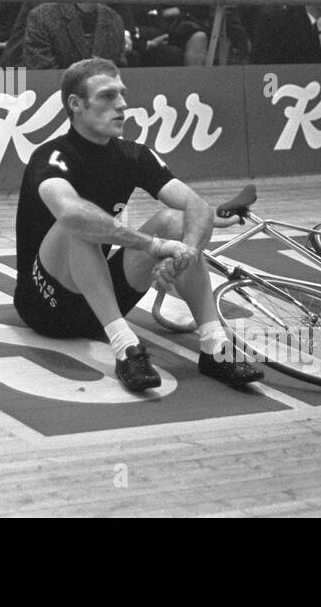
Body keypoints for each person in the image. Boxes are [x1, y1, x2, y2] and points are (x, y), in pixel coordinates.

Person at [13, 57, 263, 393]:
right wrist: (155, 247)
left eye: (122, 94)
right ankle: (126, 348)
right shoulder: (52, 157)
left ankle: (213, 345)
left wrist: (182, 255)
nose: (121, 104)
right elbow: (72, 215)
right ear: (76, 104)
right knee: (78, 222)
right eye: (107, 96)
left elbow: (197, 207)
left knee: (176, 219)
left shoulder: (133, 155)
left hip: (99, 297)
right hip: (45, 304)